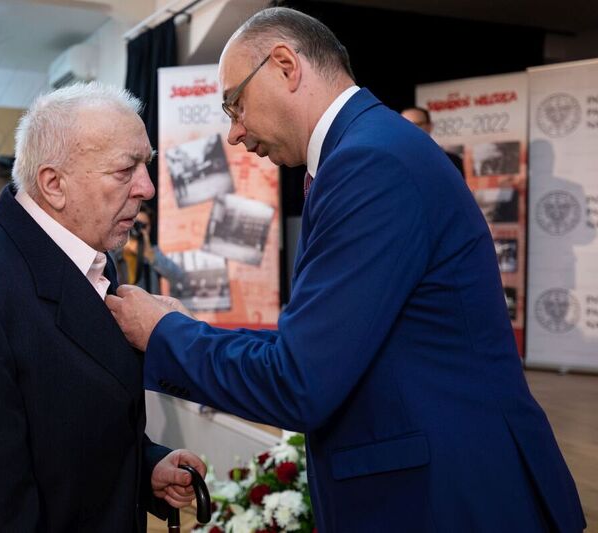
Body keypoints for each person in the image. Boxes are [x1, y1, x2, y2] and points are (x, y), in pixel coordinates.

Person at [106, 7, 585, 533]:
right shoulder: (362, 152)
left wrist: (164, 334)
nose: (235, 134)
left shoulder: (368, 164)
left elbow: (299, 380)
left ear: (285, 64)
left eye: (235, 105)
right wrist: (186, 330)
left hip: (451, 497)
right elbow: (319, 343)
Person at [0, 82, 205, 532]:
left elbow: (67, 432)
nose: (148, 187)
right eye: (125, 170)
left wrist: (146, 467)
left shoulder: (92, 258)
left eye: (147, 164)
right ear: (54, 184)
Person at [110, 203, 184, 294]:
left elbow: (177, 275)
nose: (139, 229)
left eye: (143, 226)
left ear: (150, 227)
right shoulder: (113, 249)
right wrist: (121, 251)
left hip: (149, 305)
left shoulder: (152, 250)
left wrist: (151, 256)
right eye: (135, 224)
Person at [401, 106, 465, 177]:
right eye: (405, 124)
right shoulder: (390, 161)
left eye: (418, 124)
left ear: (430, 126)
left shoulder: (451, 161)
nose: (411, 128)